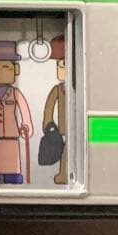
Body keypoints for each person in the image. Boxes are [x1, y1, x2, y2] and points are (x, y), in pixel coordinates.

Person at [0, 40, 33, 184]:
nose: (3, 72)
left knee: (11, 165)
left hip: (11, 136)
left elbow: (24, 110)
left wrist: (26, 125)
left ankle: (12, 178)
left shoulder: (14, 93)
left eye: (8, 67)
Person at [41, 35, 68, 184]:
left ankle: (65, 174)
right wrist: (48, 125)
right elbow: (49, 108)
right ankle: (63, 174)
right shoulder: (58, 89)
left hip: (76, 128)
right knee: (65, 151)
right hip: (62, 130)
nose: (62, 68)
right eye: (61, 64)